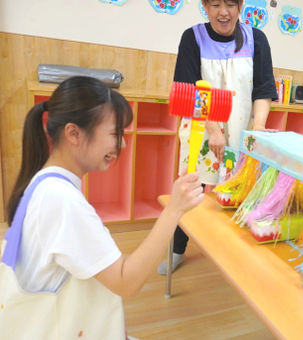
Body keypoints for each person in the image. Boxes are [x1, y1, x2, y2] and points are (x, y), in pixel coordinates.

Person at [2, 76, 203, 337]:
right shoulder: (62, 201)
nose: (121, 144)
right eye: (114, 134)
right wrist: (174, 210)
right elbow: (125, 281)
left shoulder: (43, 181)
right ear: (74, 133)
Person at [158, 0, 278, 274]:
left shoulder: (256, 39)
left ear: (241, 6)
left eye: (230, 5)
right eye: (215, 5)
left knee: (242, 190)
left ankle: (235, 253)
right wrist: (213, 130)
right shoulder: (193, 37)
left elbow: (263, 89)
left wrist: (257, 128)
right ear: (204, 6)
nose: (223, 12)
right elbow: (188, 89)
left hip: (240, 131)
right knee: (191, 187)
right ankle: (178, 249)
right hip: (201, 129)